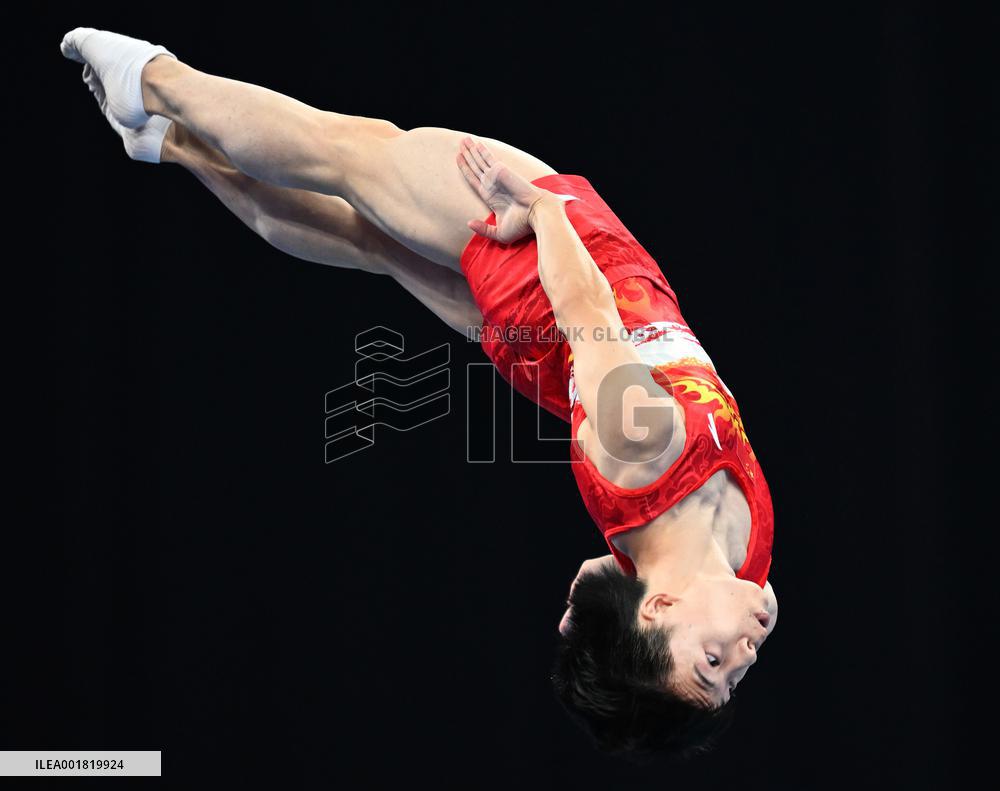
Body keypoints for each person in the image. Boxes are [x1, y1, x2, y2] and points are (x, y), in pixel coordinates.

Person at [60, 27, 778, 763]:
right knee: (369, 242)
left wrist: (541, 210)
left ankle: (154, 80)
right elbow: (604, 575)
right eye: (729, 680)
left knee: (347, 153)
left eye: (711, 662)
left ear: (660, 608)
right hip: (552, 361)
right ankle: (170, 143)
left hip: (552, 282)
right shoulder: (745, 575)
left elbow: (585, 306)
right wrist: (595, 617)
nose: (744, 656)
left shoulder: (642, 446)